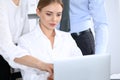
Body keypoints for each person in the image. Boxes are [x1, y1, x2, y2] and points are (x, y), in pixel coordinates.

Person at [13, 0, 83, 80]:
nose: (54, 19)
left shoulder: (67, 38)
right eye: (49, 14)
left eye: (58, 15)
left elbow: (79, 66)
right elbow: (29, 77)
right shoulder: (25, 41)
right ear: (38, 12)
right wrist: (48, 77)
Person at [0, 0, 53, 79]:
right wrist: (40, 64)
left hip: (12, 52)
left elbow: (24, 37)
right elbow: (5, 45)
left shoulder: (23, 2)